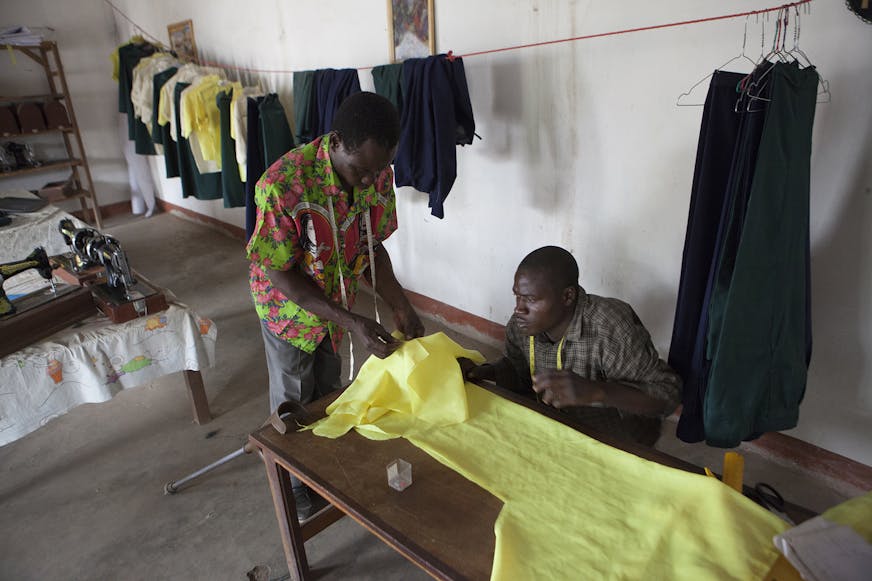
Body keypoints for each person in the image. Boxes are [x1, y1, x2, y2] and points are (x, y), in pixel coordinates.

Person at [246, 91, 424, 519]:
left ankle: (322, 468)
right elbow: (280, 272)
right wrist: (353, 320)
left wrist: (399, 304)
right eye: (362, 170)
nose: (370, 181)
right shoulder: (284, 184)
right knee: (293, 401)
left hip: (336, 302)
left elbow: (370, 246)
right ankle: (294, 484)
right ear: (338, 141)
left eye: (379, 170)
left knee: (329, 392)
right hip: (288, 310)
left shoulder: (376, 172)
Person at [460, 246, 681, 446]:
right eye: (517, 296)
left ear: (567, 296)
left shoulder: (609, 327)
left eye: (530, 299)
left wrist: (598, 391)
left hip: (617, 443)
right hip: (556, 434)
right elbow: (520, 373)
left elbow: (668, 394)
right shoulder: (522, 325)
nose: (519, 309)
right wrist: (485, 371)